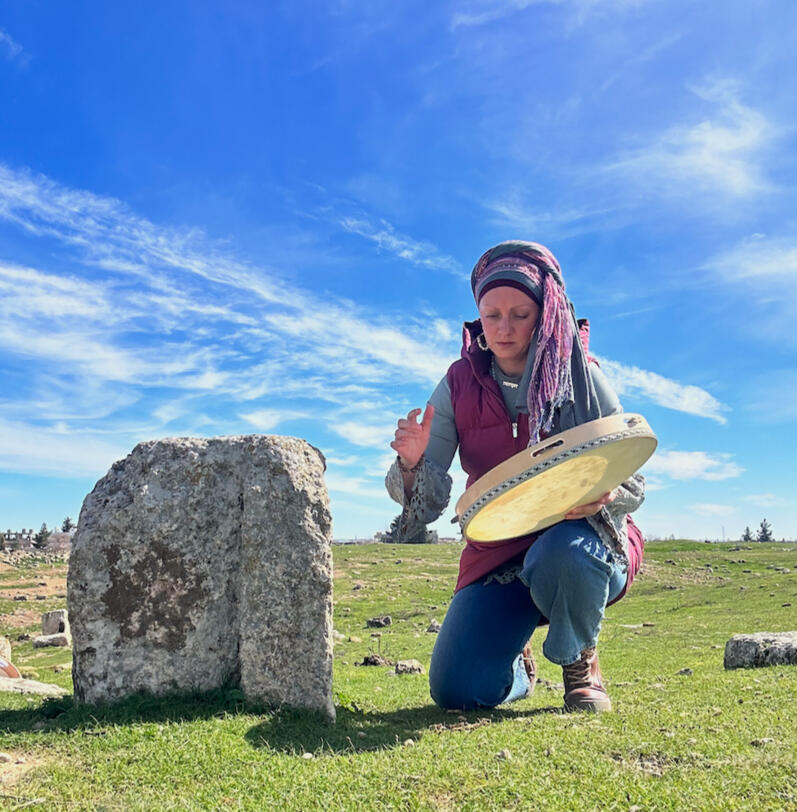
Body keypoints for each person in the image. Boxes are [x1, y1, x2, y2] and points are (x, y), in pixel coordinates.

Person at [385, 241, 645, 712]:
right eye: (491, 315)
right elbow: (425, 505)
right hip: (497, 554)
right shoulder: (458, 383)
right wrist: (411, 465)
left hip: (581, 543)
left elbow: (631, 472)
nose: (503, 329)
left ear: (544, 312)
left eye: (520, 315)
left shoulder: (579, 375)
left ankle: (580, 662)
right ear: (477, 316)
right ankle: (521, 672)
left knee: (561, 553)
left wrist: (606, 493)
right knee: (457, 690)